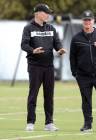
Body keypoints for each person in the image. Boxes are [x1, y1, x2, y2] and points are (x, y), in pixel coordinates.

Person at [21, 3, 66, 131]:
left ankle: (49, 123)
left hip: (49, 67)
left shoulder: (51, 28)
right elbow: (23, 45)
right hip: (35, 66)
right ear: (38, 13)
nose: (48, 15)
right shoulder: (28, 28)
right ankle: (30, 122)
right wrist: (32, 50)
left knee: (49, 96)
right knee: (33, 94)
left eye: (48, 13)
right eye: (46, 12)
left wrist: (60, 49)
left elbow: (57, 44)